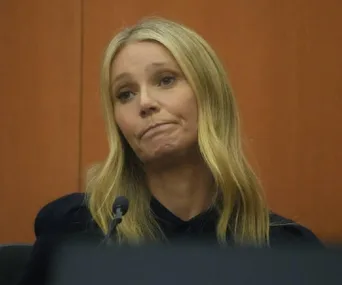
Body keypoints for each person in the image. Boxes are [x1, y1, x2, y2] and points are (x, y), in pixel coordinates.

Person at [18, 17, 322, 285]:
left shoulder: (287, 250)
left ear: (210, 94)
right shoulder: (79, 232)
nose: (145, 103)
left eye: (166, 80)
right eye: (125, 94)